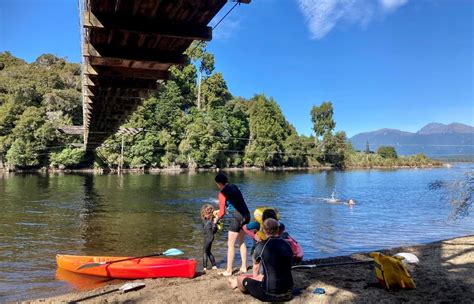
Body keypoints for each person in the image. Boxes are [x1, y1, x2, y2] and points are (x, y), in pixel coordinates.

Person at [229, 218, 294, 302]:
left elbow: (255, 269)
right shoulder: (288, 244)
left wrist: (253, 279)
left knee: (241, 278)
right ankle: (237, 282)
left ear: (264, 230)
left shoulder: (262, 245)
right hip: (288, 292)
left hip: (269, 293)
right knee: (264, 276)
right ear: (278, 229)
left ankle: (235, 283)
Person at [215, 173, 251, 276]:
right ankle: (244, 267)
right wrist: (221, 211)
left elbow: (222, 213)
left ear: (218, 183)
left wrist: (216, 219)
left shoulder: (222, 193)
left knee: (230, 244)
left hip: (237, 217)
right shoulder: (234, 186)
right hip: (246, 215)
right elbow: (233, 204)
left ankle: (229, 270)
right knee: (241, 241)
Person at [200, 204, 218, 271]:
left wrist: (215, 223)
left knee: (204, 251)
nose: (204, 215)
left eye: (205, 214)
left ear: (209, 214)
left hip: (209, 237)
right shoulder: (205, 219)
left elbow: (214, 230)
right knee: (208, 251)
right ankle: (214, 266)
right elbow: (204, 228)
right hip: (208, 237)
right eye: (203, 214)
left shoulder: (212, 221)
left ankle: (204, 267)